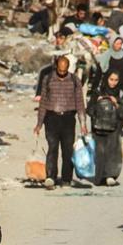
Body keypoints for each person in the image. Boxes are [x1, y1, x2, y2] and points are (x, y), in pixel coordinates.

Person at [35, 54, 88, 190]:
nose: (62, 73)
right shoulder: (48, 79)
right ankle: (51, 177)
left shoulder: (75, 81)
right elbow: (43, 103)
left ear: (68, 68)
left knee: (67, 150)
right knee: (52, 148)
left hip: (68, 119)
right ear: (56, 67)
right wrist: (39, 124)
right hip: (52, 118)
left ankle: (66, 179)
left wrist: (83, 124)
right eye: (60, 70)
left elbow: (80, 103)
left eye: (65, 71)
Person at [87, 70, 123, 187]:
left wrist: (116, 104)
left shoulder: (120, 93)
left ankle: (110, 176)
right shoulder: (98, 92)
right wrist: (98, 103)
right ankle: (99, 177)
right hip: (98, 127)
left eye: (116, 80)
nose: (113, 83)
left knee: (112, 151)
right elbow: (89, 110)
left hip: (114, 127)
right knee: (99, 152)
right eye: (111, 79)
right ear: (106, 79)